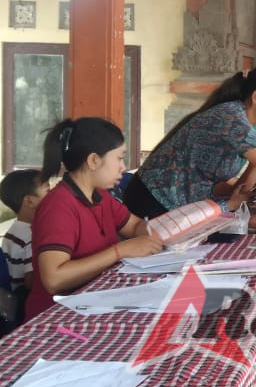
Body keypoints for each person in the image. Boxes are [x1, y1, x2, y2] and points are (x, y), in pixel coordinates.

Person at [124, 65, 256, 234]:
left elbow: (241, 190)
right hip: (154, 200)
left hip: (187, 208)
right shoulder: (230, 116)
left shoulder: (255, 129)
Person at [25, 118, 163, 320]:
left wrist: (160, 233)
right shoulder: (58, 206)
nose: (123, 167)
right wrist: (120, 251)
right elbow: (54, 278)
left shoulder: (100, 196)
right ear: (93, 161)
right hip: (58, 316)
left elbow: (134, 226)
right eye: (119, 158)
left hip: (95, 301)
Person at [0, 169, 49, 291]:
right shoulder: (31, 235)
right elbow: (31, 282)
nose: (54, 196)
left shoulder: (15, 230)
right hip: (24, 298)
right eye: (48, 191)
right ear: (29, 201)